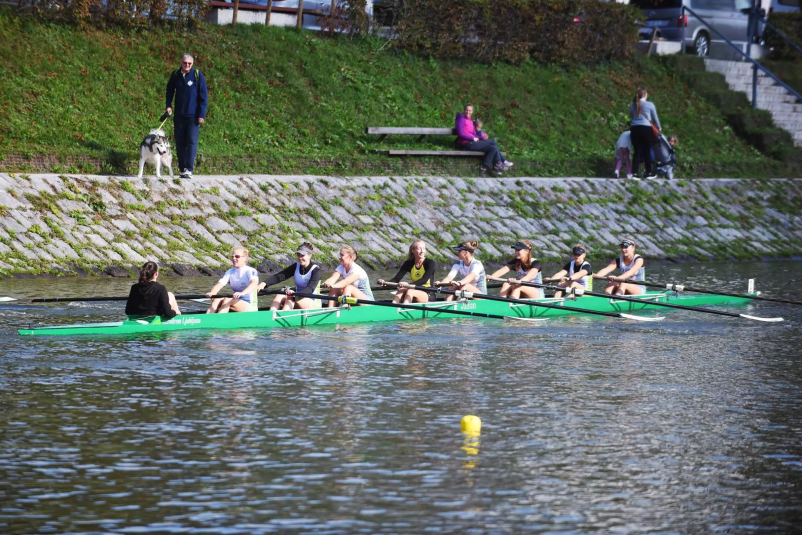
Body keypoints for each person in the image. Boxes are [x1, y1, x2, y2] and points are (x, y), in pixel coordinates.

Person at [165, 53, 208, 180]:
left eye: (189, 63)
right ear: (181, 62)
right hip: (179, 115)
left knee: (191, 141)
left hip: (193, 116)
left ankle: (189, 169)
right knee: (180, 142)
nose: (187, 65)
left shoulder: (197, 75)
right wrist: (168, 105)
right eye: (185, 63)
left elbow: (203, 97)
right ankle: (182, 168)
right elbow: (169, 91)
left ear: (192, 64)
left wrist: (201, 114)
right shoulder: (176, 75)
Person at [259, 242, 324, 311]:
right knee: (279, 295)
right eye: (298, 255)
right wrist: (263, 284)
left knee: (291, 297)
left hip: (312, 301)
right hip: (296, 297)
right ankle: (271, 316)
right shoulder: (296, 266)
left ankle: (282, 318)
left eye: (302, 255)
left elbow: (310, 289)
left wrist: (295, 294)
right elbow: (279, 276)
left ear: (309, 255)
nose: (300, 258)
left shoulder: (316, 270)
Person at [455, 104, 513, 176]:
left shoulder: (470, 122)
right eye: (466, 110)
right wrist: (472, 138)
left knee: (493, 148)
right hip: (467, 144)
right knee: (493, 141)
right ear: (464, 110)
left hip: (473, 142)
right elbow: (460, 134)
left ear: (472, 111)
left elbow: (475, 135)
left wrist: (482, 137)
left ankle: (484, 167)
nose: (468, 112)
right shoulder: (461, 119)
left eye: (469, 110)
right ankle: (500, 162)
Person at [378, 240, 436, 304]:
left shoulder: (430, 263)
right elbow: (396, 279)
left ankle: (404, 310)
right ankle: (393, 309)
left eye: (423, 248)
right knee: (401, 290)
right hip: (414, 289)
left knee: (410, 291)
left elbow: (424, 280)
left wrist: (408, 285)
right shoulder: (409, 263)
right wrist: (386, 283)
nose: (422, 251)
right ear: (413, 250)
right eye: (419, 249)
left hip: (428, 293)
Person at [206, 246, 260, 313]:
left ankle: (219, 321)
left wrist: (242, 293)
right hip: (235, 301)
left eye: (237, 256)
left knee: (227, 300)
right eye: (232, 257)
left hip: (250, 306)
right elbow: (219, 284)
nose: (234, 258)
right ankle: (206, 319)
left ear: (244, 258)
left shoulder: (251, 271)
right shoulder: (230, 272)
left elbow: (254, 284)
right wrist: (212, 293)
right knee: (217, 299)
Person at [629, 87, 661, 180]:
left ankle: (634, 173)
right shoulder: (650, 104)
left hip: (634, 128)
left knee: (637, 151)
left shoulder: (632, 105)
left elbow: (631, 116)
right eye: (646, 94)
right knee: (647, 151)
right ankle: (648, 172)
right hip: (646, 129)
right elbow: (655, 118)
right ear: (644, 95)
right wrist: (659, 127)